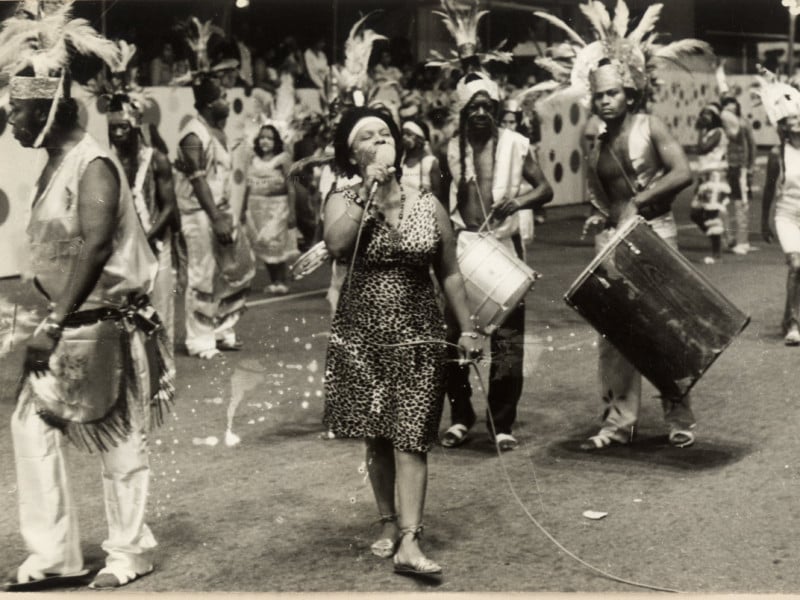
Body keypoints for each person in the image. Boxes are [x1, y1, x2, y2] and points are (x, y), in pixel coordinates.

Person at [2, 5, 172, 590]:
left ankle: (129, 551)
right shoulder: (54, 163)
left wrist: (53, 319)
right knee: (31, 429)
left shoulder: (92, 163)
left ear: (53, 108)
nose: (13, 120)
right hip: (65, 322)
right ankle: (54, 557)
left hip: (104, 325)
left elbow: (97, 247)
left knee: (122, 444)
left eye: (21, 109)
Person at [322, 107, 481, 578]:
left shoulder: (427, 203)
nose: (379, 142)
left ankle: (411, 540)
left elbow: (449, 271)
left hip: (418, 333)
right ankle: (389, 521)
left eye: (385, 134)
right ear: (353, 154)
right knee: (377, 433)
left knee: (412, 435)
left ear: (400, 144)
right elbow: (335, 245)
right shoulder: (343, 197)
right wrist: (367, 195)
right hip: (362, 334)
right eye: (366, 138)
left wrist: (467, 327)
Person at [580, 58, 698, 449]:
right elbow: (602, 198)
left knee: (663, 331)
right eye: (598, 96)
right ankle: (619, 423)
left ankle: (678, 418)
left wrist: (640, 200)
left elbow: (682, 173)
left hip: (654, 235)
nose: (605, 102)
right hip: (614, 241)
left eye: (612, 93)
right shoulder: (594, 141)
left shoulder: (651, 126)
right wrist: (599, 218)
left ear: (629, 94)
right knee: (613, 336)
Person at [440, 72, 553, 452]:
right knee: (451, 340)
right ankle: (460, 417)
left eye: (488, 107)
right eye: (474, 107)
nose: (481, 114)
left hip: (503, 251)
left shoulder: (517, 145)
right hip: (463, 250)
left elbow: (545, 189)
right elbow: (439, 203)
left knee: (507, 345)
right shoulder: (450, 149)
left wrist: (518, 203)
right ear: (463, 111)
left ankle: (501, 423)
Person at [174, 19, 255, 359]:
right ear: (209, 104)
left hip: (220, 213)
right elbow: (197, 180)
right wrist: (216, 218)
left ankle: (222, 330)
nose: (227, 98)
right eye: (222, 96)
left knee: (235, 271)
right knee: (203, 275)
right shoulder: (194, 134)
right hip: (199, 215)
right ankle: (200, 339)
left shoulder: (219, 130)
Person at [759, 68, 800, 346]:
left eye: (796, 115)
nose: (793, 122)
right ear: (781, 124)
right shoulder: (777, 153)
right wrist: (764, 222)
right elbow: (768, 190)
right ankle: (793, 323)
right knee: (797, 264)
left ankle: (790, 316)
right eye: (788, 119)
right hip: (787, 216)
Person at [245, 124, 297, 294]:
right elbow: (245, 186)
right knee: (263, 244)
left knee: (275, 242)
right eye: (262, 137)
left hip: (277, 207)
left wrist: (292, 211)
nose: (265, 141)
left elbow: (291, 187)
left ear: (276, 141)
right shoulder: (252, 159)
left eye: (269, 138)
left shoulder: (283, 159)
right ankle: (274, 281)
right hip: (256, 208)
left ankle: (282, 280)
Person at [690, 103, 730, 265]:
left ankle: (717, 253)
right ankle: (720, 239)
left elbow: (702, 149)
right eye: (703, 113)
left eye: (709, 114)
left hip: (716, 177)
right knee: (695, 213)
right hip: (705, 177)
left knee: (712, 213)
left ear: (715, 117)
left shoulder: (718, 132)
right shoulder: (707, 132)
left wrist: (700, 130)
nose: (705, 117)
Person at [721, 96, 756, 255]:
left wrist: (750, 166)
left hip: (739, 166)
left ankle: (743, 241)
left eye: (732, 105)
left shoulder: (743, 123)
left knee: (741, 204)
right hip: (724, 166)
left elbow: (751, 145)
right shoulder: (721, 125)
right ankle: (728, 239)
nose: (730, 108)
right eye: (727, 106)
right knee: (723, 203)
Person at [400, 117, 442, 198]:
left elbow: (438, 194)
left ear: (420, 138)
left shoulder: (430, 162)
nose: (404, 137)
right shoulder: (402, 160)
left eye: (409, 134)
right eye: (403, 134)